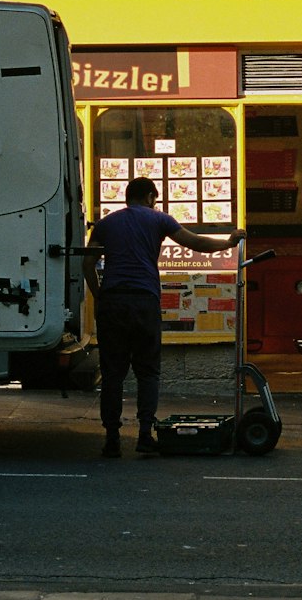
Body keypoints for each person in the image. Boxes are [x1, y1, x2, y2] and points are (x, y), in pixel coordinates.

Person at [83, 176, 245, 458]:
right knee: (148, 371)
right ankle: (145, 434)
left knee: (112, 374)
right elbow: (194, 242)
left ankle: (112, 437)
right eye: (154, 199)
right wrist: (228, 243)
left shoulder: (106, 224)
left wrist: (100, 295)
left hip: (113, 301)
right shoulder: (159, 220)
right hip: (144, 301)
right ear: (149, 197)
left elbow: (87, 262)